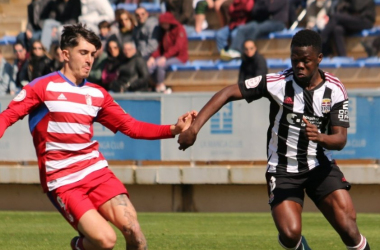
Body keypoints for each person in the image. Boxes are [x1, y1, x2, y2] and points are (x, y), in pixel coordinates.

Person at [0, 23, 196, 250]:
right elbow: (7, 116)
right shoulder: (42, 87)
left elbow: (131, 127)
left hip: (95, 172)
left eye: (93, 54)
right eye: (83, 53)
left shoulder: (97, 94)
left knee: (135, 233)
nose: (89, 60)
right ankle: (79, 246)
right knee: (105, 241)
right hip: (63, 181)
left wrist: (174, 129)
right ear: (65, 54)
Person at [178, 29, 370, 250]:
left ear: (319, 58)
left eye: (305, 61)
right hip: (282, 169)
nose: (299, 65)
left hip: (319, 166)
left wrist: (320, 137)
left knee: (349, 227)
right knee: (290, 233)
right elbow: (229, 92)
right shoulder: (278, 82)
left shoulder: (335, 90)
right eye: (295, 60)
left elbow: (340, 139)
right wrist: (194, 128)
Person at [221, 0, 288, 60]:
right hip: (263, 21)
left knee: (256, 28)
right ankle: (235, 50)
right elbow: (254, 11)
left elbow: (269, 8)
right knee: (241, 28)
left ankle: (248, 48)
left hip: (277, 23)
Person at [147, 12, 189, 94]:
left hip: (179, 57)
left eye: (165, 23)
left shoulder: (179, 29)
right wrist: (153, 57)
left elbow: (178, 47)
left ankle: (161, 86)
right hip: (167, 56)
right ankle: (151, 85)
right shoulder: (165, 31)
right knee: (150, 66)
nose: (163, 25)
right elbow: (160, 48)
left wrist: (165, 57)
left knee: (160, 65)